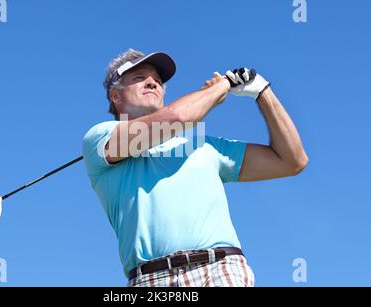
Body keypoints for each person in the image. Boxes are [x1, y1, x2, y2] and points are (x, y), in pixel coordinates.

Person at [82, 49, 308, 287]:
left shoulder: (203, 146)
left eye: (158, 81)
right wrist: (220, 88)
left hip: (219, 268)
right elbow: (178, 117)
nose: (152, 83)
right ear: (115, 96)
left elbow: (291, 161)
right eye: (139, 78)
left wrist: (262, 92)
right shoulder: (100, 137)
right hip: (149, 279)